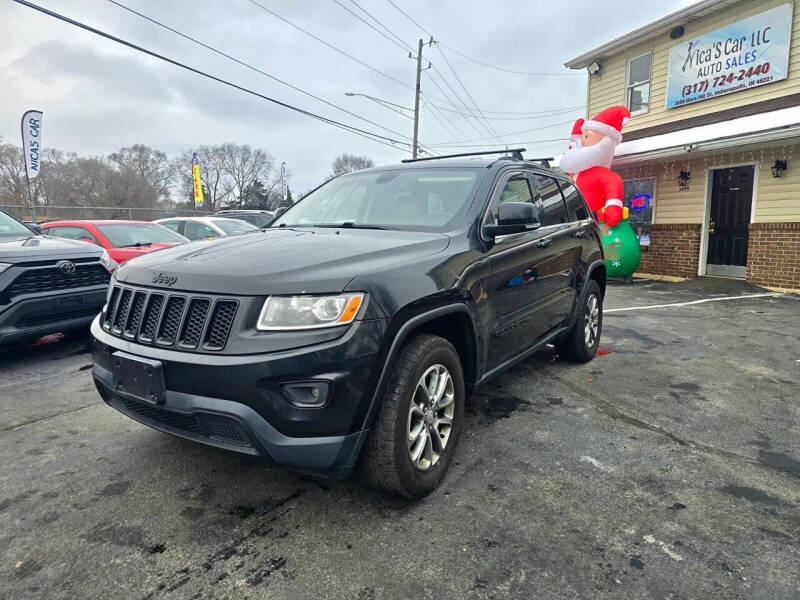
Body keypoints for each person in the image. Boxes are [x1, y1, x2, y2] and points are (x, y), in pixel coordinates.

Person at [559, 106, 630, 227]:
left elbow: (613, 186)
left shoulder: (604, 174)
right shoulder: (573, 174)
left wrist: (612, 207)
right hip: (568, 224)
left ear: (606, 143)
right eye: (581, 137)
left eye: (586, 136)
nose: (581, 141)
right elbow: (573, 154)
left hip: (592, 225)